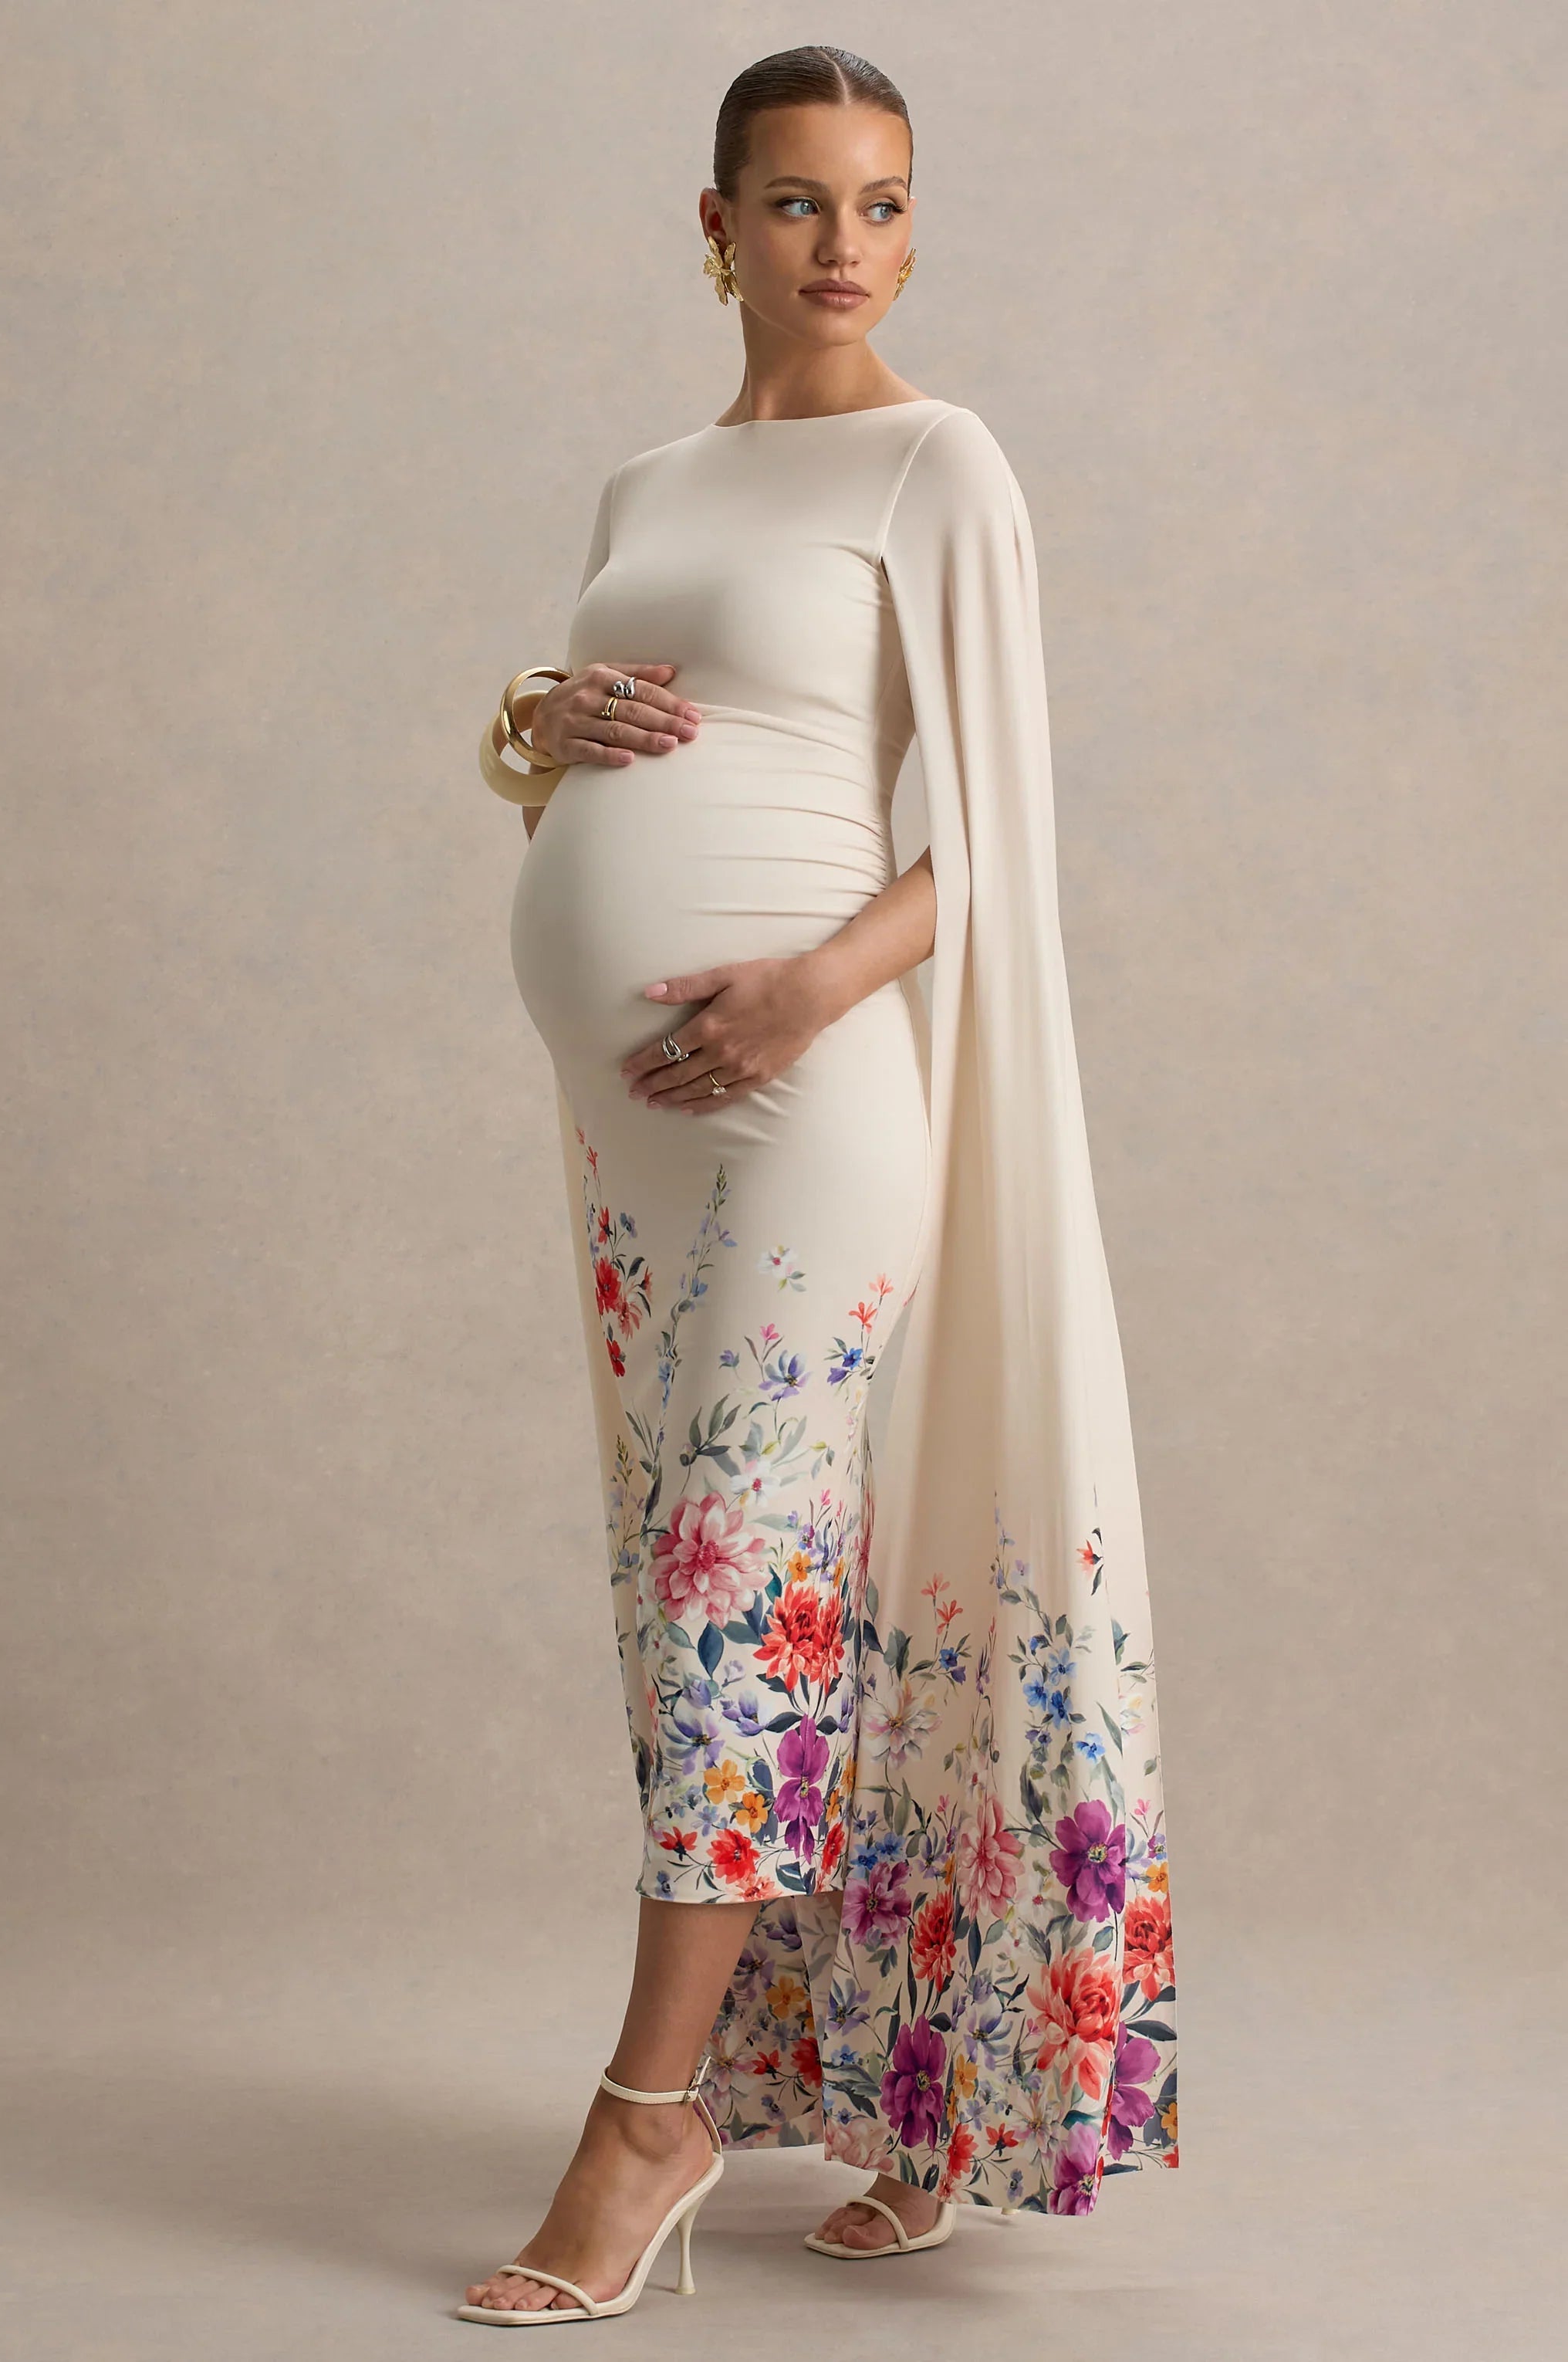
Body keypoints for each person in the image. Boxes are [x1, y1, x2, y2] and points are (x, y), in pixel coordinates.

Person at [461, 42, 1178, 2328]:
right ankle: (909, 2085)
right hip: (637, 1134)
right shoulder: (648, 480)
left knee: (736, 1589)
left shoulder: (940, 461)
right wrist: (532, 730)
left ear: (912, 222)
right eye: (795, 203)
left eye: (879, 203)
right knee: (718, 1598)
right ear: (717, 227)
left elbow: (1002, 830)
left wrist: (807, 992)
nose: (843, 244)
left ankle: (646, 2121)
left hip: (809, 1095)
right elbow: (614, 752)